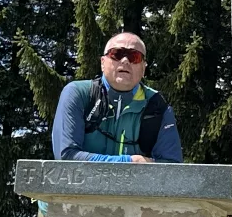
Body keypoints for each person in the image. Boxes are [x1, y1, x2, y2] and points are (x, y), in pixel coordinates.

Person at [50, 32, 183, 163]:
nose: (125, 61)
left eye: (134, 56)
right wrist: (130, 162)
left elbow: (172, 168)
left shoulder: (158, 107)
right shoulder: (78, 93)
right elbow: (66, 157)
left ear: (143, 68)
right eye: (117, 54)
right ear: (103, 62)